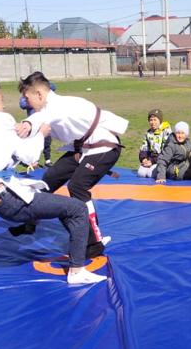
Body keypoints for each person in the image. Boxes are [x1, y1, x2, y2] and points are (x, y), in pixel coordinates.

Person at [0, 75, 104, 285]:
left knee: (60, 206)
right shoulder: (2, 121)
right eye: (1, 100)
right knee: (78, 209)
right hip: (11, 199)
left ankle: (77, 246)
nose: (3, 104)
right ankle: (77, 271)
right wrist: (41, 134)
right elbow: (29, 157)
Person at [18, 72, 127, 258]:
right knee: (49, 179)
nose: (26, 103)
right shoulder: (49, 107)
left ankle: (94, 243)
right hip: (83, 148)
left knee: (78, 187)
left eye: (27, 98)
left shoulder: (60, 106)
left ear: (39, 94)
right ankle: (30, 219)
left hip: (105, 147)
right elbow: (43, 117)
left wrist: (28, 124)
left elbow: (44, 118)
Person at [19, 81, 57, 167]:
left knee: (47, 142)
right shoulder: (27, 96)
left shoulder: (42, 92)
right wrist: (31, 101)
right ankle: (33, 161)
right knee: (35, 142)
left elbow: (53, 87)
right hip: (33, 125)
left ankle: (47, 160)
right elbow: (22, 104)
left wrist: (43, 84)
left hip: (44, 122)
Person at [137, 109, 172, 179]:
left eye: (155, 120)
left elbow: (166, 152)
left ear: (160, 120)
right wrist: (144, 159)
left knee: (150, 174)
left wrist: (152, 161)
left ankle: (167, 172)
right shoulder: (148, 133)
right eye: (151, 120)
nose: (153, 122)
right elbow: (144, 148)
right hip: (151, 159)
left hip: (163, 161)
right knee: (141, 173)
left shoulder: (167, 132)